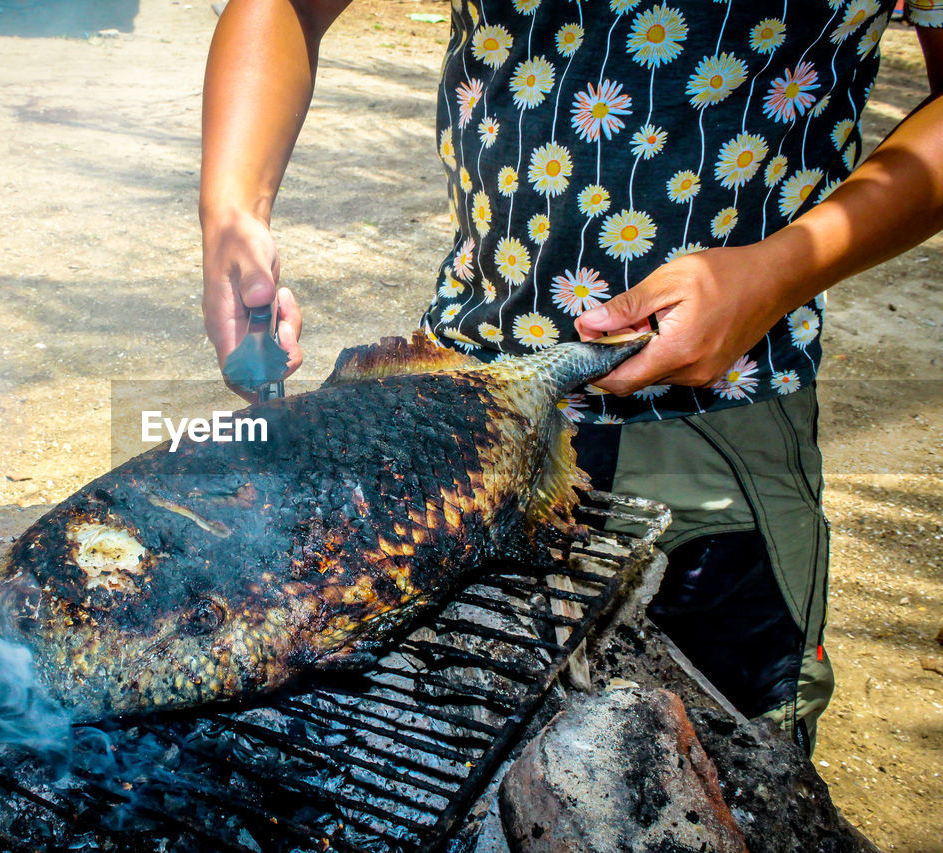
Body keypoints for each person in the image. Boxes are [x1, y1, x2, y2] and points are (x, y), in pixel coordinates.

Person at [198, 0, 943, 751]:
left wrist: (783, 270)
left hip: (718, 437)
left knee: (716, 772)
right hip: (454, 404)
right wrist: (234, 210)